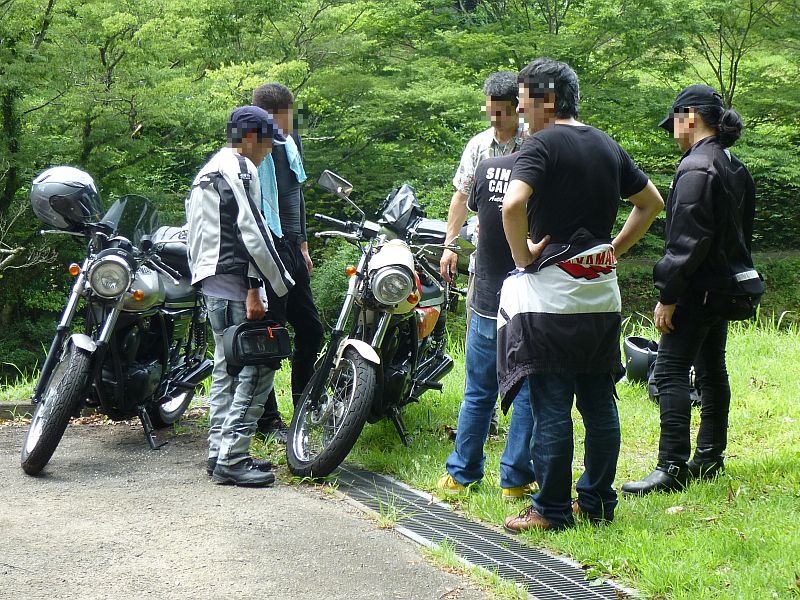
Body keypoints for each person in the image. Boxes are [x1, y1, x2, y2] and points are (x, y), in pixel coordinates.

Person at [498, 58, 664, 531]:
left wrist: (523, 256)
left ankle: (550, 510)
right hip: (601, 296)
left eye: (524, 100)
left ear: (548, 99)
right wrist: (612, 249)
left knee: (552, 402)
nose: (520, 110)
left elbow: (512, 205)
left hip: (550, 299)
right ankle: (596, 502)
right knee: (598, 400)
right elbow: (652, 202)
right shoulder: (607, 145)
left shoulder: (541, 144)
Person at [621, 85, 755, 495]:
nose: (673, 133)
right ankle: (710, 458)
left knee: (670, 370)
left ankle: (671, 466)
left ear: (690, 116)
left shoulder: (696, 167)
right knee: (712, 369)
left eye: (674, 124)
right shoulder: (733, 164)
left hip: (696, 289)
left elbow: (686, 242)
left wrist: (668, 295)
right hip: (724, 287)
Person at [185, 106, 294, 486]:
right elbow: (252, 230)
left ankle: (218, 453)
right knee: (258, 368)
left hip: (211, 286)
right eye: (267, 144)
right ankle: (233, 458)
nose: (269, 152)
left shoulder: (207, 171)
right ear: (249, 138)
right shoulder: (240, 168)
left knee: (225, 371)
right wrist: (271, 284)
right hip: (237, 286)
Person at [437, 151, 537, 501]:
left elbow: (480, 217)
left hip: (485, 299)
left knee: (478, 392)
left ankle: (461, 475)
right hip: (526, 304)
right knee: (526, 393)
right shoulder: (545, 172)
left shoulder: (488, 167)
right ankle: (515, 479)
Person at [440, 70, 525, 437]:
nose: (495, 118)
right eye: (490, 110)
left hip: (524, 261)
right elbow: (461, 196)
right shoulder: (478, 146)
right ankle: (485, 416)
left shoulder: (533, 142)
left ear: (518, 108)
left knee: (520, 340)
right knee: (481, 338)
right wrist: (450, 245)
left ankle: (517, 411)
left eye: (502, 111)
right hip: (484, 259)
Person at [251, 83, 324, 443]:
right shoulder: (253, 145)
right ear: (270, 115)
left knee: (311, 331)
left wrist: (304, 244)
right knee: (270, 335)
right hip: (269, 249)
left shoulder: (290, 140)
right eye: (285, 117)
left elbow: (297, 195)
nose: (288, 123)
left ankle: (304, 407)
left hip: (292, 247)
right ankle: (267, 421)